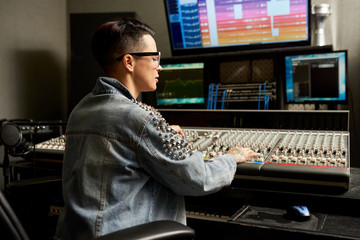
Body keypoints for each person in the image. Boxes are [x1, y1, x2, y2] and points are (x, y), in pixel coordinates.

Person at [54, 18, 260, 240]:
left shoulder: (81, 109)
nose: (159, 65)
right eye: (154, 58)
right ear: (129, 62)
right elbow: (198, 180)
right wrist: (231, 158)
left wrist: (154, 133)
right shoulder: (141, 119)